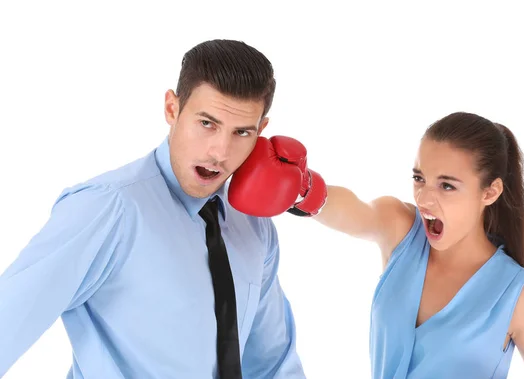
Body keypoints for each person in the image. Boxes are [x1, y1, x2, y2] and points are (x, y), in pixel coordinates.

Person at [0, 39, 314, 378]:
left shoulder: (254, 226)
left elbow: (272, 365)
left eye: (241, 132)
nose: (220, 151)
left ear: (261, 132)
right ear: (172, 109)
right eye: (207, 123)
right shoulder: (108, 209)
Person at [231, 112, 524, 378]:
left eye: (447, 186)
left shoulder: (522, 296)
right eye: (419, 178)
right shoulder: (402, 231)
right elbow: (357, 212)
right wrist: (302, 189)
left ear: (490, 192)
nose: (424, 198)